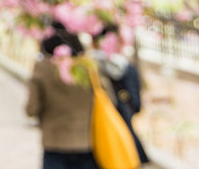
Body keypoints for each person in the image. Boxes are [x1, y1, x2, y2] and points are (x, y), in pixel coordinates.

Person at [26, 24, 98, 169]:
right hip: (85, 142)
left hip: (55, 142)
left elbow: (31, 109)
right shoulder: (90, 69)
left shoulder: (42, 69)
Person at [93, 25, 149, 165]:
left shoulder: (92, 67)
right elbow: (136, 103)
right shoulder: (127, 67)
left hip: (103, 121)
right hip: (125, 119)